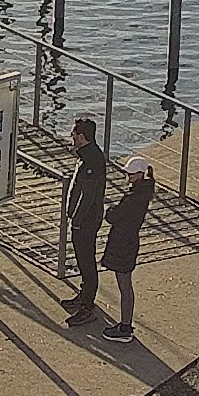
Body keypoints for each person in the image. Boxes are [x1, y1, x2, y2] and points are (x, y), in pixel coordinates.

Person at [100, 155, 157, 340]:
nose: (128, 177)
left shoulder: (133, 198)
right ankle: (125, 324)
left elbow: (113, 216)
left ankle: (125, 328)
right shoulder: (143, 194)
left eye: (132, 174)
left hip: (123, 244)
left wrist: (111, 210)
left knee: (125, 286)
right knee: (125, 285)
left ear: (140, 175)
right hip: (130, 242)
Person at [61, 117, 108, 325]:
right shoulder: (87, 155)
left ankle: (87, 306)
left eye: (73, 133)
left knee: (87, 261)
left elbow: (87, 197)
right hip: (83, 219)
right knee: (83, 260)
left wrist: (77, 220)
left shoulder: (92, 161)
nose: (71, 137)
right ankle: (84, 295)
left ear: (81, 136)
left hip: (87, 221)